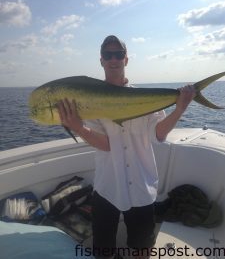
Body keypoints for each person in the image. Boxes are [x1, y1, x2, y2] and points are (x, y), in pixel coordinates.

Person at [57, 35, 196, 259]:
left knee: (142, 250)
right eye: (108, 55)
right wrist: (78, 127)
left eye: (119, 54)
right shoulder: (89, 99)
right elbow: (105, 144)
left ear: (126, 60)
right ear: (101, 60)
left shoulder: (143, 98)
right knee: (103, 252)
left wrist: (179, 109)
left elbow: (157, 133)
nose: (114, 59)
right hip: (107, 187)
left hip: (142, 186)